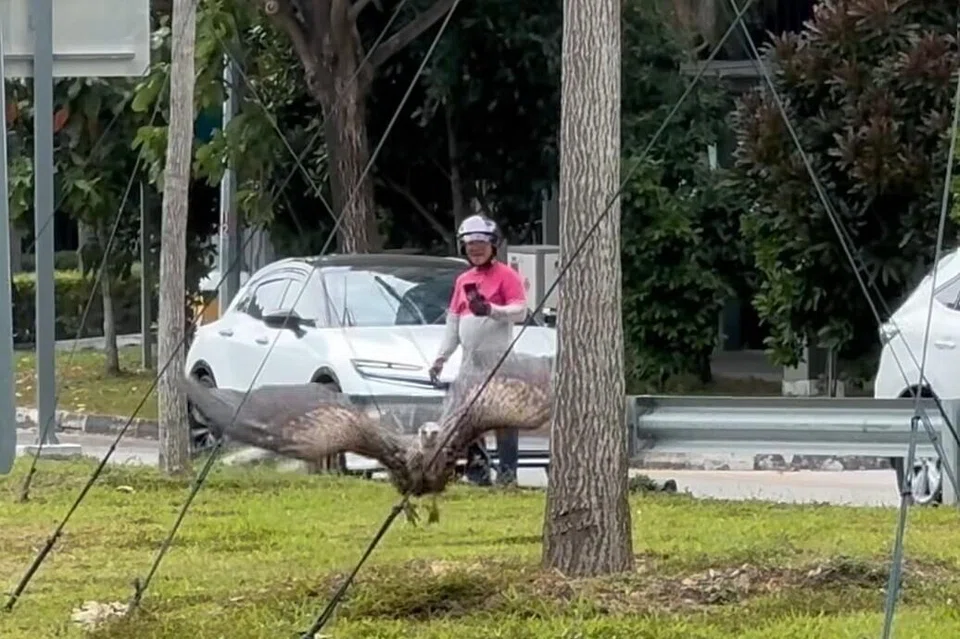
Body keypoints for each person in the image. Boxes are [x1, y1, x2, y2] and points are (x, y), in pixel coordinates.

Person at [431, 214, 528, 487]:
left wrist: (491, 310)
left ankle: (507, 475)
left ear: (493, 246)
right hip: (470, 362)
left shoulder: (507, 276)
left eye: (481, 244)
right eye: (470, 245)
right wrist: (441, 358)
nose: (475, 249)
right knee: (469, 416)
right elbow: (453, 322)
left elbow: (520, 311)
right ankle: (478, 473)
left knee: (503, 417)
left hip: (499, 361)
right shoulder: (463, 280)